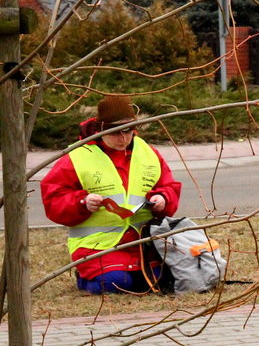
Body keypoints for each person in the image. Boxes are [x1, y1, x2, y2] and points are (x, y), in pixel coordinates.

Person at [40, 95, 182, 294]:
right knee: (117, 283)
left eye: (128, 131)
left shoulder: (148, 152)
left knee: (160, 282)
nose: (123, 138)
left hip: (143, 245)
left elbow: (169, 186)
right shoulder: (78, 156)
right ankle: (84, 279)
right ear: (100, 129)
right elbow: (53, 199)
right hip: (97, 248)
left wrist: (163, 198)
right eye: (115, 132)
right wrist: (82, 202)